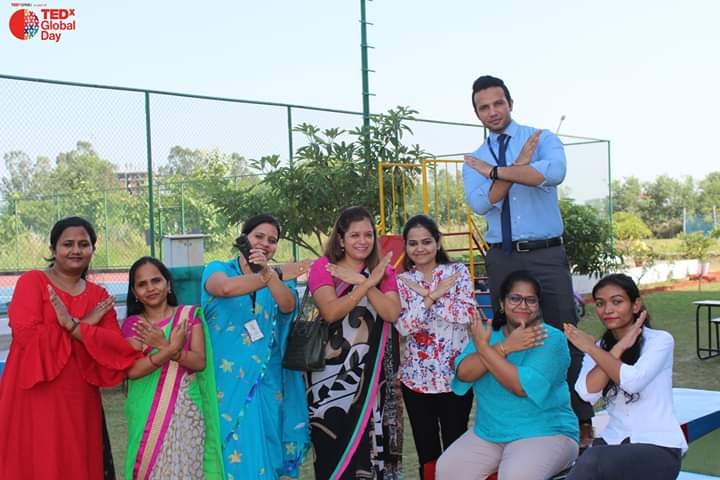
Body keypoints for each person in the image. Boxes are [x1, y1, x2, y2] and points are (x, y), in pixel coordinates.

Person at [462, 74, 594, 444]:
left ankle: (580, 418)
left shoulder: (541, 138)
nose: (492, 111)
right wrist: (519, 170)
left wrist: (495, 173)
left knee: (564, 333)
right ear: (477, 113)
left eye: (498, 103)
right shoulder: (475, 158)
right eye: (484, 107)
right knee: (508, 335)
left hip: (546, 253)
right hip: (502, 257)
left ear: (510, 103)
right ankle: (520, 419)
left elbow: (554, 172)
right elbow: (481, 203)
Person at [0, 216, 143, 479]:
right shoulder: (32, 282)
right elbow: (28, 338)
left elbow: (112, 347)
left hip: (79, 397)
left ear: (92, 250)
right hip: (35, 395)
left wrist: (73, 326)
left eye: (83, 244)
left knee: (75, 462)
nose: (76, 250)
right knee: (38, 462)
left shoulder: (99, 296)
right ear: (53, 249)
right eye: (68, 244)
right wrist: (84, 325)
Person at [436, 270, 579, 480]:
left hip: (546, 431)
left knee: (515, 476)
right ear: (502, 303)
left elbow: (520, 387)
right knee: (447, 470)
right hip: (489, 433)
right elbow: (465, 374)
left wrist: (485, 349)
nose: (523, 305)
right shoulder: (489, 334)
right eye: (515, 298)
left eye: (531, 300)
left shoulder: (551, 338)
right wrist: (502, 347)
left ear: (538, 305)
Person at [201, 214, 311, 480]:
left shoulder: (279, 281)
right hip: (225, 382)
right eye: (258, 236)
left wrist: (270, 274)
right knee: (230, 450)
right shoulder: (218, 268)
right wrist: (276, 273)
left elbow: (287, 305)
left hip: (267, 382)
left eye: (272, 240)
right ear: (244, 238)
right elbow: (224, 289)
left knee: (266, 452)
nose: (265, 243)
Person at [307, 206, 403, 479]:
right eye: (355, 235)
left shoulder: (382, 272)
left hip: (375, 379)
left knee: (373, 454)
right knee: (331, 449)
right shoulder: (324, 267)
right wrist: (365, 284)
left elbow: (391, 313)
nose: (363, 241)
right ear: (341, 239)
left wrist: (365, 281)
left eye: (368, 235)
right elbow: (331, 312)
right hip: (329, 381)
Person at [563, 274, 687, 480]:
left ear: (635, 305)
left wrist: (591, 349)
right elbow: (587, 393)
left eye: (617, 301)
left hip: (659, 447)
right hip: (615, 440)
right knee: (589, 460)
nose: (607, 310)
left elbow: (633, 382)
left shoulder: (660, 341)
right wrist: (616, 348)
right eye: (600, 303)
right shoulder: (600, 348)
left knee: (592, 460)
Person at [121, 256, 223, 479]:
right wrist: (169, 349)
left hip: (187, 411)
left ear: (168, 284)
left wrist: (166, 347)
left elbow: (199, 362)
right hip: (147, 414)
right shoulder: (134, 325)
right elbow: (133, 371)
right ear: (135, 292)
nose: (150, 288)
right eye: (142, 284)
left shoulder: (189, 317)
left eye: (156, 280)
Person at [395, 214, 475, 480]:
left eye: (426, 241)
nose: (420, 248)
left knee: (456, 448)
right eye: (413, 243)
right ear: (406, 246)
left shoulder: (457, 272)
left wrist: (428, 296)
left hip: (456, 378)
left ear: (438, 242)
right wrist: (433, 296)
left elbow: (465, 314)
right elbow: (404, 326)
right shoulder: (403, 281)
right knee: (426, 453)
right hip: (416, 381)